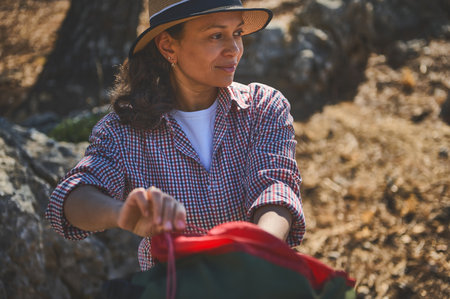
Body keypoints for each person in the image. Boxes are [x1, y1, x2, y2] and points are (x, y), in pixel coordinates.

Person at [46, 0, 306, 271]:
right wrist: (123, 214)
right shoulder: (123, 131)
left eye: (237, 33)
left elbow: (274, 189)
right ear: (168, 46)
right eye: (216, 36)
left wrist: (257, 251)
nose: (234, 49)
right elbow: (71, 198)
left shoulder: (263, 106)